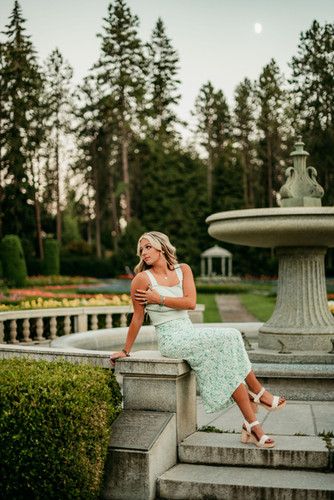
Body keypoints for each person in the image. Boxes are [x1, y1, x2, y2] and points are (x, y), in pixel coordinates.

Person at [110, 231, 286, 449]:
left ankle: (252, 425)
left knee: (228, 357)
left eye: (148, 247)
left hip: (188, 331)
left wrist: (159, 299)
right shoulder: (141, 280)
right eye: (141, 249)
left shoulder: (183, 270)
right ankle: (259, 394)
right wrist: (125, 350)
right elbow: (137, 318)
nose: (143, 252)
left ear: (161, 247)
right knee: (230, 336)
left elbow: (190, 303)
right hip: (171, 339)